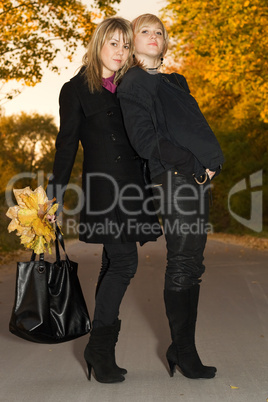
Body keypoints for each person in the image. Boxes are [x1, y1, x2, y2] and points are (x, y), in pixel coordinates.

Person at [47, 17, 161, 384]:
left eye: (126, 45)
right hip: (106, 189)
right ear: (98, 44)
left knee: (113, 262)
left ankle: (103, 352)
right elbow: (65, 147)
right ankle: (98, 348)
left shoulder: (130, 86)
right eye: (114, 43)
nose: (121, 51)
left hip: (135, 188)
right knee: (125, 263)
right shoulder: (76, 89)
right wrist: (54, 197)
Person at [117, 14, 224, 379]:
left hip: (192, 181)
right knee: (183, 263)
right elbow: (147, 142)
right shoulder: (133, 83)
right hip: (176, 179)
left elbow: (192, 127)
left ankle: (180, 347)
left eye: (158, 32)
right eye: (144, 31)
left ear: (165, 43)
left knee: (192, 264)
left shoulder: (173, 82)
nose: (153, 36)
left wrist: (208, 165)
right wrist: (195, 165)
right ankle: (184, 351)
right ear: (133, 41)